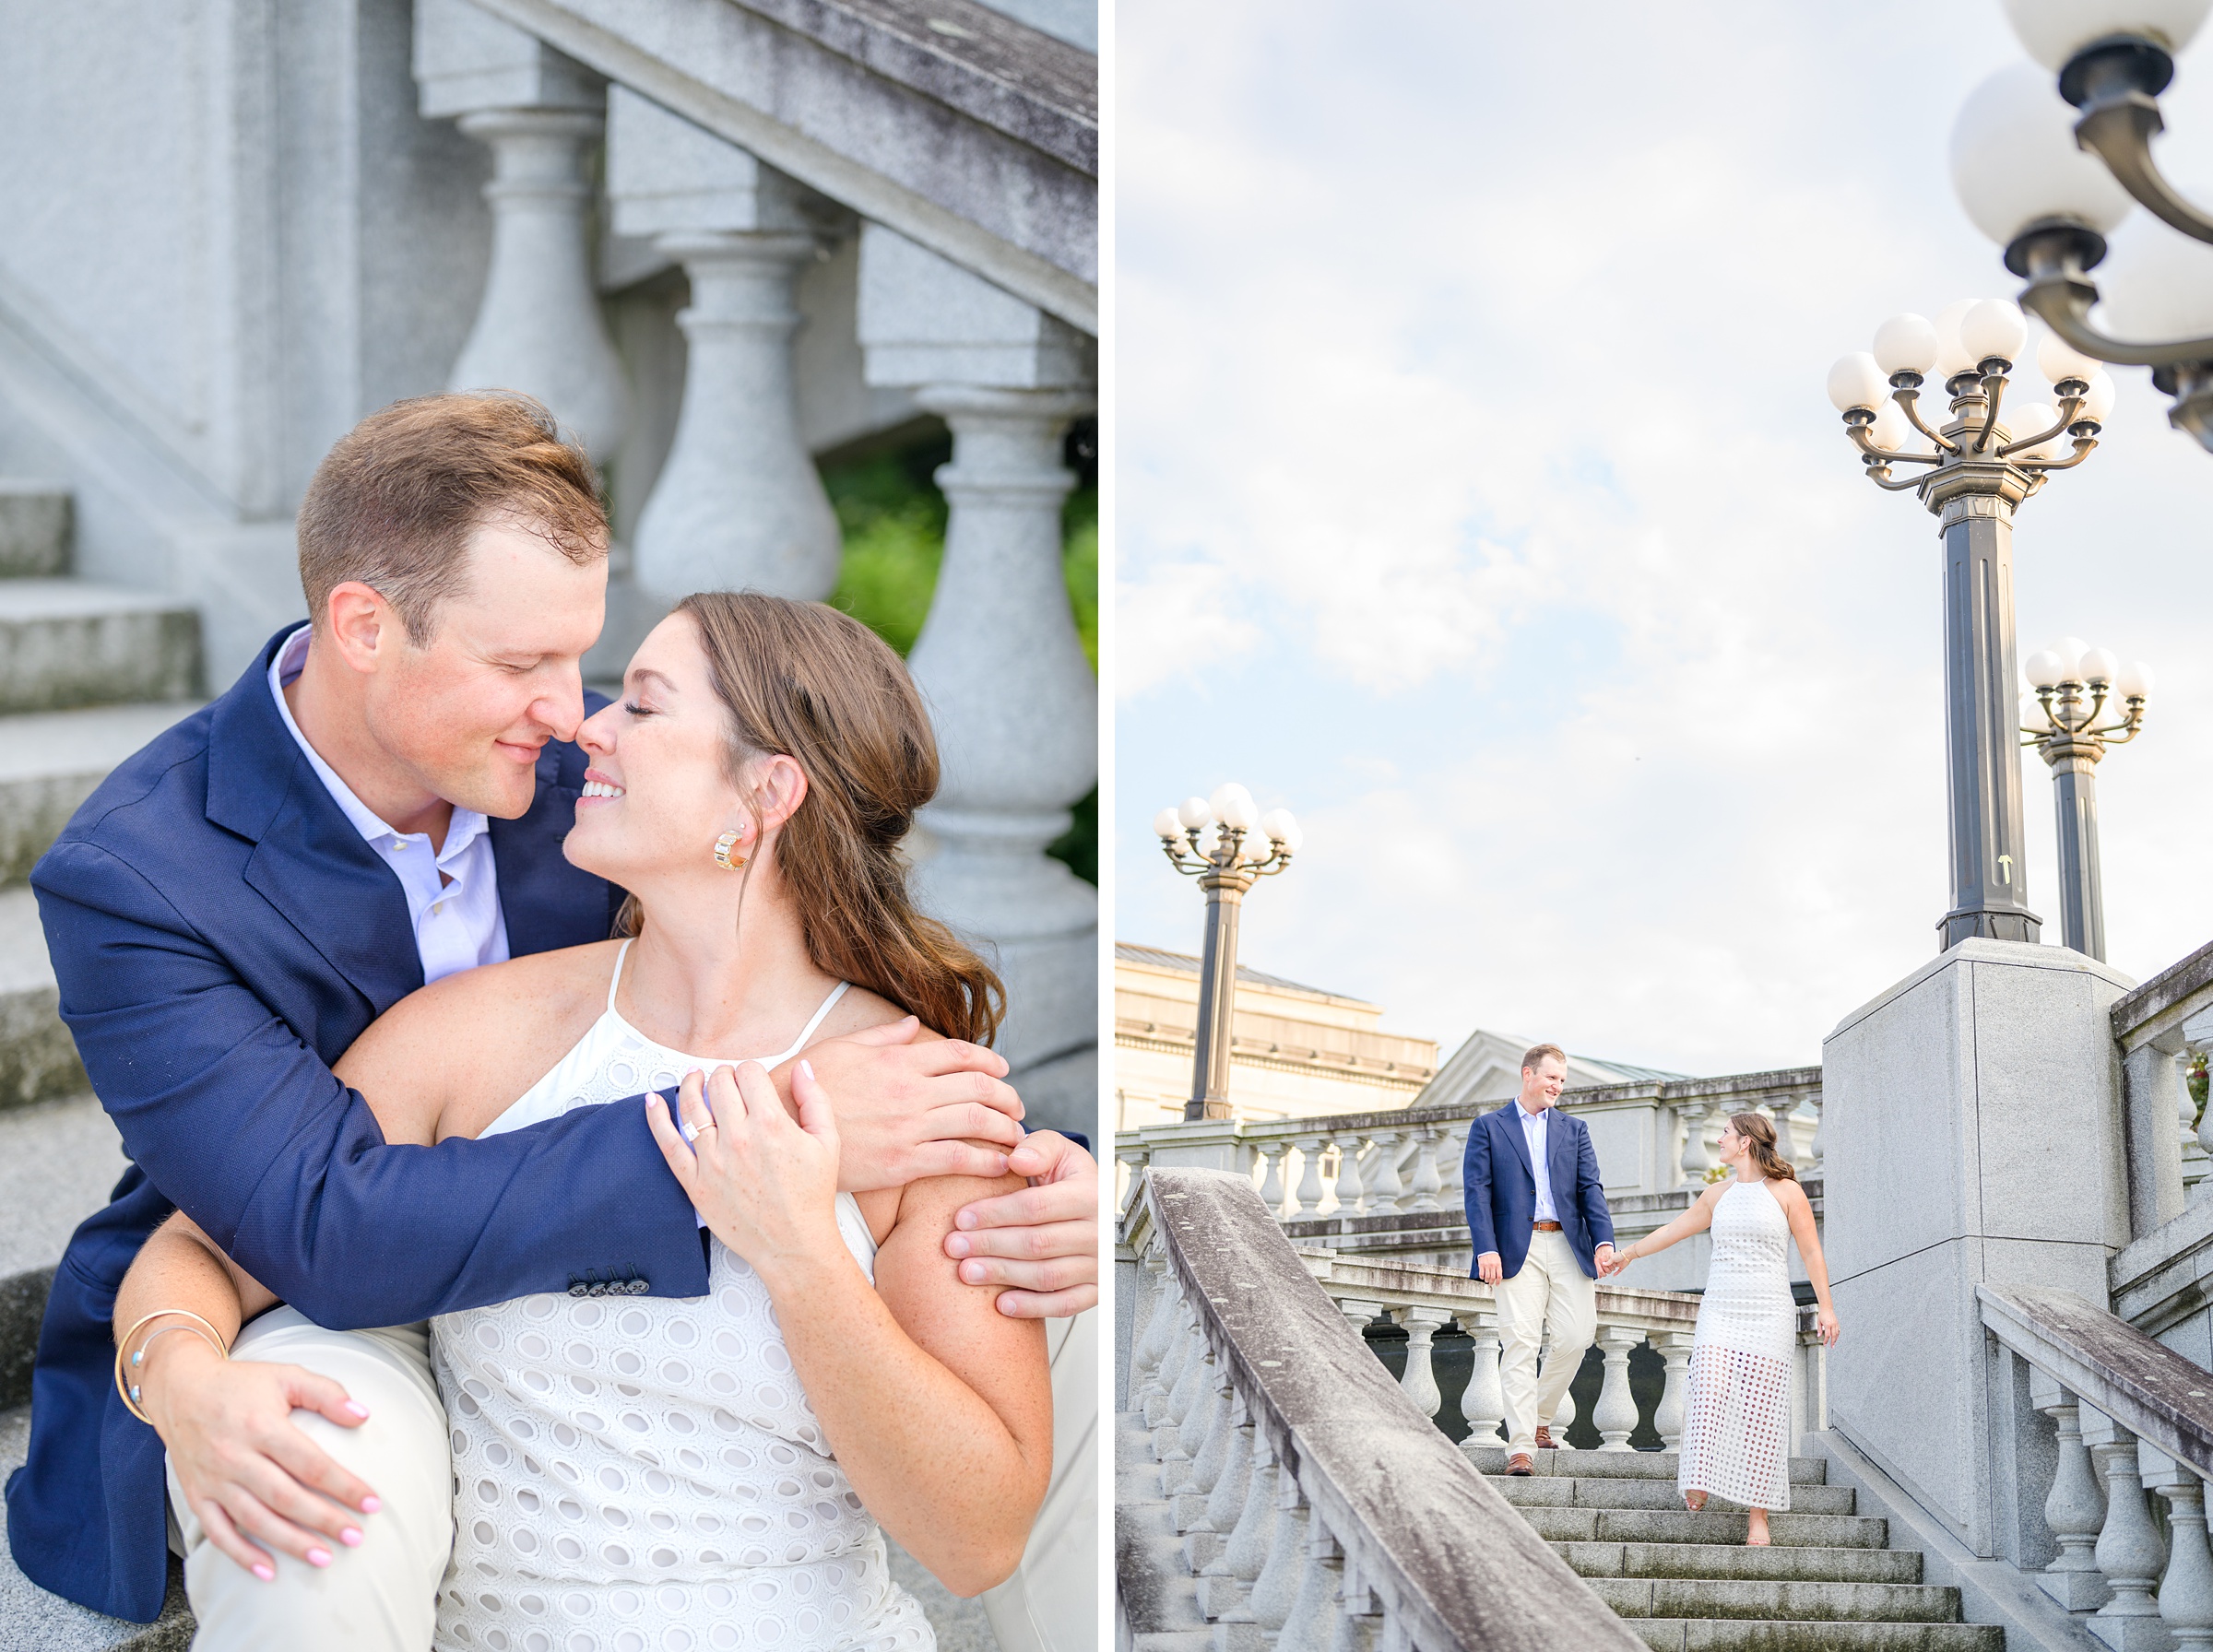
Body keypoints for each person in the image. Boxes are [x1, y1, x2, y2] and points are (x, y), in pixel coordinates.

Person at [5, 395, 1098, 1638]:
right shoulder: (140, 875)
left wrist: (1051, 1174)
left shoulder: (589, 789)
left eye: (592, 667)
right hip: (320, 1280)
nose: (574, 712)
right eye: (524, 665)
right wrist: (749, 1142)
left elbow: (801, 931)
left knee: (1035, 1290)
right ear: (365, 627)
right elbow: (309, 1226)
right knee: (317, 1482)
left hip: (614, 1310)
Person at [1602, 1111, 1840, 1546]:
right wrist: (1628, 1254)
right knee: (1707, 1389)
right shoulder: (1717, 1194)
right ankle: (1699, 1474)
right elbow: (1674, 1230)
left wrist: (1826, 1307)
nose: (1718, 1140)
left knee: (1761, 1414)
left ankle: (1758, 1517)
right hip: (1721, 1309)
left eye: (1725, 1134)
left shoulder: (1787, 1192)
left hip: (1769, 1311)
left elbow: (1811, 1252)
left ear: (1746, 1142)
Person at [1462, 1044, 1615, 1475]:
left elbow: (1590, 1189)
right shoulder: (1489, 1127)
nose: (1557, 1087)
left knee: (1576, 1335)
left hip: (1569, 1243)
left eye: (1563, 1081)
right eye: (1551, 1078)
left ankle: (1538, 1418)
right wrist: (1485, 1247)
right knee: (1520, 1344)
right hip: (1513, 1248)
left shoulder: (1574, 1129)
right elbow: (1477, 1192)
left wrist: (1603, 1242)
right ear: (1528, 1074)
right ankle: (1521, 1446)